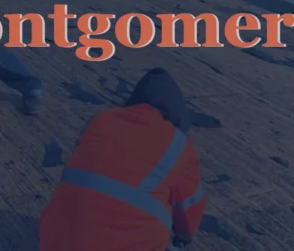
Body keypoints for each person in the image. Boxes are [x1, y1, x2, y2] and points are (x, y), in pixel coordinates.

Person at [38, 68, 205, 251]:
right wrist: (184, 238)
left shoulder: (102, 119)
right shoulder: (180, 144)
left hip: (53, 240)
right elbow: (189, 208)